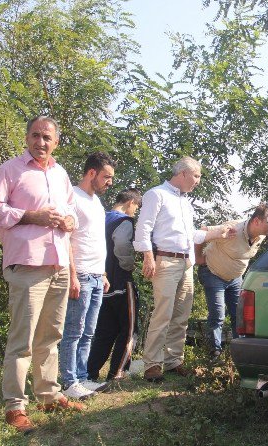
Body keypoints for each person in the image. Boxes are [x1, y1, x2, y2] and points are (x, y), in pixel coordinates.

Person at [0, 116, 85, 434]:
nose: (41, 142)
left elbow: (72, 212)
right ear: (27, 138)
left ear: (56, 142)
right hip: (27, 265)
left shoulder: (60, 174)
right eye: (35, 136)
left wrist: (69, 221)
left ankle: (48, 395)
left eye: (47, 137)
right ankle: (15, 406)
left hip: (59, 266)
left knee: (51, 337)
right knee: (22, 340)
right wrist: (31, 216)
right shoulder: (10, 170)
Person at [133, 156, 234, 382]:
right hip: (165, 261)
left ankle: (174, 360)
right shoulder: (156, 194)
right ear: (183, 174)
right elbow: (143, 228)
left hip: (185, 262)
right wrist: (148, 257)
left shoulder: (186, 202)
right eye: (196, 176)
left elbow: (192, 236)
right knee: (163, 313)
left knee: (181, 315)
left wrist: (219, 232)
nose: (198, 181)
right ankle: (152, 364)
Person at [59, 152, 115, 399]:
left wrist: (102, 273)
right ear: (91, 173)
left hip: (95, 275)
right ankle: (69, 381)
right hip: (79, 274)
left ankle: (82, 378)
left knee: (89, 331)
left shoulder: (97, 202)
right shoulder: (72, 196)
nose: (109, 182)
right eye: (106, 177)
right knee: (74, 330)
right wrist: (72, 275)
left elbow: (96, 241)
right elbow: (66, 238)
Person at [195, 204, 268, 359]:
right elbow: (201, 231)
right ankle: (214, 352)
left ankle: (240, 352)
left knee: (240, 315)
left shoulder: (262, 235)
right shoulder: (232, 228)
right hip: (213, 273)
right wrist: (198, 257)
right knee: (218, 314)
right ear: (256, 221)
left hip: (235, 279)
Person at [87, 188, 142, 382]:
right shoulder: (123, 220)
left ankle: (90, 373)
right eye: (136, 207)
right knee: (129, 330)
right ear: (130, 203)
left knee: (104, 332)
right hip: (121, 282)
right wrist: (129, 264)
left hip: (101, 283)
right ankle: (118, 373)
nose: (135, 212)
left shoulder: (101, 217)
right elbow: (121, 244)